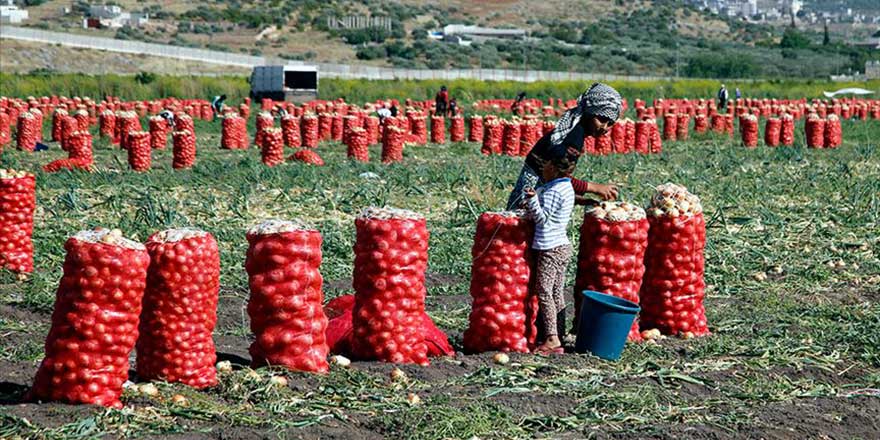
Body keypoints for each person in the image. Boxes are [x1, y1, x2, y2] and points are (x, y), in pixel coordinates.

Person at [506, 82, 622, 212]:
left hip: (534, 194)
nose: (604, 127)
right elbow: (556, 175)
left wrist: (579, 199)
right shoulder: (574, 137)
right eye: (601, 119)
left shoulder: (572, 131)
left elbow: (555, 180)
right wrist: (594, 187)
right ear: (589, 113)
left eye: (610, 123)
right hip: (530, 200)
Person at [523, 155, 576, 354]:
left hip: (550, 247)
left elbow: (542, 219)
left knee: (544, 291)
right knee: (556, 292)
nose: (542, 167)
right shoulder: (565, 187)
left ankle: (552, 338)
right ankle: (559, 334)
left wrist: (532, 200)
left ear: (553, 167)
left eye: (546, 163)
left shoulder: (554, 191)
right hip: (561, 246)